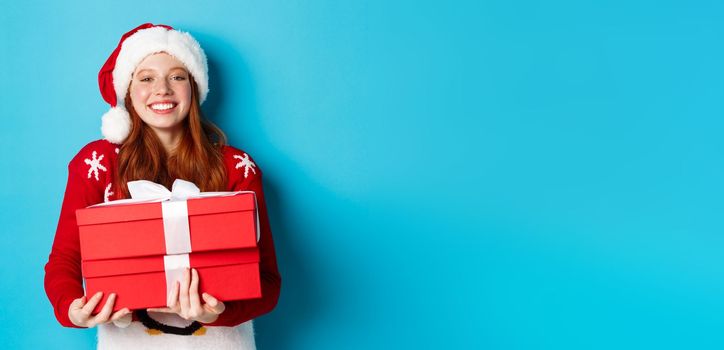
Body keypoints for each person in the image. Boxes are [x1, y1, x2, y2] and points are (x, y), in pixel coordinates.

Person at [43, 23, 281, 349]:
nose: (162, 89)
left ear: (194, 87)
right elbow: (65, 260)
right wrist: (71, 308)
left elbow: (267, 281)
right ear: (128, 90)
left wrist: (219, 313)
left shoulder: (236, 167)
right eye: (146, 78)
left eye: (177, 76)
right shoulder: (97, 164)